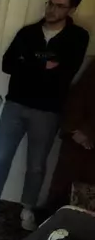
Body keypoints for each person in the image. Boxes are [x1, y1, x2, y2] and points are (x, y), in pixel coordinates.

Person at [0, 0, 90, 231]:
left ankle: (28, 206)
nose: (51, 9)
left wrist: (28, 61)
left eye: (59, 5)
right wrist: (44, 62)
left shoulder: (78, 37)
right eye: (50, 3)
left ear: (72, 9)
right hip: (15, 104)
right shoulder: (27, 33)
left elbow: (65, 73)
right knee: (2, 156)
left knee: (36, 164)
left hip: (47, 110)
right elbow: (7, 64)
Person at [41, 60, 95, 216]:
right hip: (74, 140)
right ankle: (48, 230)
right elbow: (76, 97)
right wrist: (74, 129)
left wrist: (88, 132)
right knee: (60, 188)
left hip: (90, 144)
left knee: (87, 200)